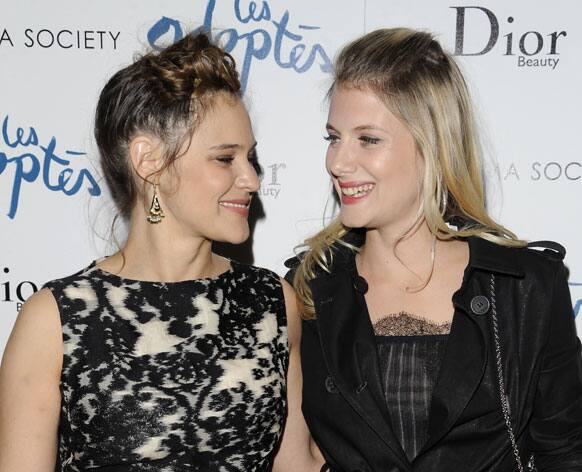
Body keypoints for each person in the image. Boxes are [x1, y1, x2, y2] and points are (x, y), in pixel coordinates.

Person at [0, 33, 322, 472]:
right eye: (225, 159)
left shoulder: (271, 304)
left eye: (251, 158)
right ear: (148, 160)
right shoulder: (55, 321)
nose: (251, 178)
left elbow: (295, 466)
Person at [285, 28, 582, 471]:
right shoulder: (309, 289)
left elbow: (566, 454)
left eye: (368, 138)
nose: (337, 162)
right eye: (333, 137)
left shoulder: (525, 287)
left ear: (432, 145)